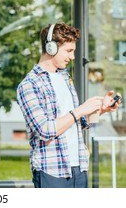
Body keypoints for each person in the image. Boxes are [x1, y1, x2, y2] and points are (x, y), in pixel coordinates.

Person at [16, 23, 122, 188]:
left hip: (79, 168)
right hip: (51, 172)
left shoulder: (65, 78)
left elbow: (76, 122)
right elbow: (45, 130)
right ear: (51, 48)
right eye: (69, 51)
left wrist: (101, 109)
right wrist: (80, 110)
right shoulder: (29, 85)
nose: (72, 57)